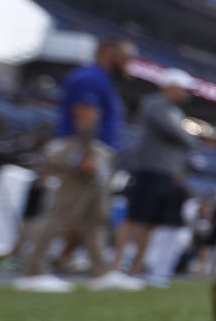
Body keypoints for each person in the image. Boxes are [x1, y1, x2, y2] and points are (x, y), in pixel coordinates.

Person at [15, 38, 139, 292]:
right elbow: (85, 116)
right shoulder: (91, 78)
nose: (129, 64)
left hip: (93, 151)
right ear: (108, 53)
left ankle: (100, 273)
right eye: (125, 57)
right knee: (64, 210)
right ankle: (33, 270)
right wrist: (86, 154)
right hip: (84, 148)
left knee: (97, 215)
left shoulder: (101, 80)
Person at [107, 68, 198, 284]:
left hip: (166, 173)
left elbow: (185, 139)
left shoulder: (175, 111)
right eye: (182, 88)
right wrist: (185, 136)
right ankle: (116, 267)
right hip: (150, 169)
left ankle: (136, 270)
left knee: (151, 222)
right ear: (171, 86)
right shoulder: (154, 103)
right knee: (135, 218)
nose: (186, 93)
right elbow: (176, 134)